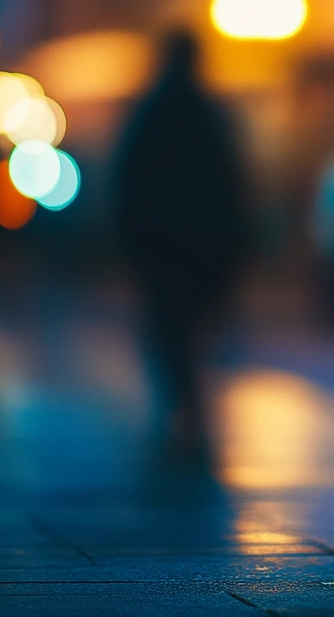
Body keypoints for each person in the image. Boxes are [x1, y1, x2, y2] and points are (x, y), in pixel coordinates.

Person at [114, 30, 250, 472]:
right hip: (201, 248)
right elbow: (232, 186)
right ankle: (189, 411)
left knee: (166, 332)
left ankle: (179, 408)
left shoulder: (151, 112)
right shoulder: (208, 114)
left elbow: (129, 181)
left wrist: (131, 240)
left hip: (163, 247)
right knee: (191, 332)